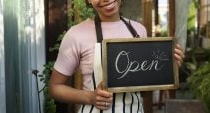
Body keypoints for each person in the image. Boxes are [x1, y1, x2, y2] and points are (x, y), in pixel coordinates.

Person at [49, 0, 185, 113]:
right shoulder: (76, 35)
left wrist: (168, 66)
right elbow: (55, 87)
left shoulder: (139, 30)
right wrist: (90, 97)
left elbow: (144, 80)